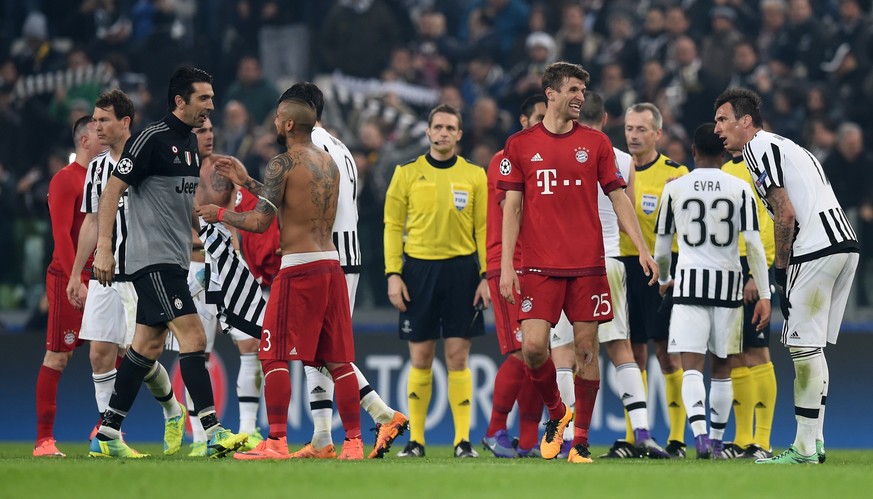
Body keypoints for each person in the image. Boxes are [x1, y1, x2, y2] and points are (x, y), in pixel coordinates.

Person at [498, 62, 658, 464]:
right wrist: (506, 266)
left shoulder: (597, 144)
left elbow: (619, 198)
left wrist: (642, 248)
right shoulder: (519, 145)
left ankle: (581, 441)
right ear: (550, 93)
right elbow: (512, 208)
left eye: (583, 91)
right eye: (572, 89)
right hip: (539, 266)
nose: (579, 97)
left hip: (588, 265)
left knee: (587, 352)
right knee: (534, 349)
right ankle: (558, 413)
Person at [243, 81, 409, 460]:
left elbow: (304, 202)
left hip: (321, 254)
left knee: (322, 349)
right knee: (324, 348)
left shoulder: (309, 147)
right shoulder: (340, 147)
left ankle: (374, 418)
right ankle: (327, 436)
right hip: (344, 253)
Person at [198, 91, 366, 460]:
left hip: (298, 268)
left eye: (277, 117)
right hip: (331, 264)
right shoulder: (328, 163)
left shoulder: (282, 163)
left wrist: (219, 214)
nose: (274, 122)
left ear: (289, 124)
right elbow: (291, 203)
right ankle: (353, 443)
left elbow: (261, 221)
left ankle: (275, 441)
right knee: (337, 359)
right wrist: (247, 182)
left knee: (272, 355)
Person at [90, 66, 247, 458]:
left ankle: (106, 435)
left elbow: (181, 203)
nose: (211, 106)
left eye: (212, 98)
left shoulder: (190, 143)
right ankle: (212, 431)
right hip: (152, 259)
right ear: (180, 101)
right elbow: (111, 191)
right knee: (194, 338)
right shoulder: (151, 139)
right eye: (203, 98)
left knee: (146, 347)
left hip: (175, 258)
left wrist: (206, 233)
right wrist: (104, 248)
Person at [714, 88, 860, 464]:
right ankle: (816, 440)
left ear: (746, 121)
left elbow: (785, 211)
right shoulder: (788, 146)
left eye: (723, 119)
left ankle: (804, 448)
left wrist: (780, 268)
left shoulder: (756, 149)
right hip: (843, 244)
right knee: (812, 346)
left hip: (815, 248)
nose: (717, 129)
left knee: (801, 347)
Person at [66, 89, 185, 455]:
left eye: (104, 120)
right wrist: (76, 273)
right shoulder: (98, 167)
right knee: (99, 354)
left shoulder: (149, 157)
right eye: (95, 120)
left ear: (125, 122)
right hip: (104, 272)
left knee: (139, 356)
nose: (97, 127)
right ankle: (110, 438)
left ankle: (173, 409)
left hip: (141, 271)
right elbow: (90, 221)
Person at [653, 123, 771, 460]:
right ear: (723, 152)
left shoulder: (675, 189)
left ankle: (701, 436)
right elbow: (753, 245)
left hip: (689, 285)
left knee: (691, 366)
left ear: (692, 151)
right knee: (722, 368)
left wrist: (664, 278)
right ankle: (718, 442)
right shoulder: (740, 188)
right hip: (728, 288)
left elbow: (662, 246)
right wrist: (764, 292)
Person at [384, 104, 489, 459]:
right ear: (428, 132)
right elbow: (392, 227)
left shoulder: (475, 175)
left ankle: (462, 441)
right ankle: (416, 441)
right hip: (418, 271)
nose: (444, 133)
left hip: (462, 272)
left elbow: (484, 229)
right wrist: (393, 274)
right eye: (438, 127)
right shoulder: (406, 173)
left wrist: (486, 276)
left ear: (459, 134)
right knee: (421, 357)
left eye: (450, 128)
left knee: (458, 357)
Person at [576, 91, 669, 459]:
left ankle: (569, 438)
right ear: (606, 119)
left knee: (567, 352)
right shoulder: (624, 160)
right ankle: (642, 432)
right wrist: (643, 250)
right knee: (621, 347)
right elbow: (624, 208)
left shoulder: (562, 152)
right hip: (612, 259)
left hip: (568, 262)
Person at [166, 115, 266, 457]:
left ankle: (249, 429)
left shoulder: (228, 166)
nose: (208, 135)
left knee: (251, 344)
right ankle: (199, 437)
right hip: (193, 265)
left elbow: (252, 212)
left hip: (229, 263)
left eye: (210, 129)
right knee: (197, 350)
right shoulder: (173, 171)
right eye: (201, 130)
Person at [620, 102, 689, 457]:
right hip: (624, 267)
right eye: (629, 128)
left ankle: (677, 439)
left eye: (641, 129)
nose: (633, 136)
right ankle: (636, 437)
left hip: (662, 270)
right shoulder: (616, 169)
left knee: (666, 353)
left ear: (658, 134)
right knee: (632, 353)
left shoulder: (676, 174)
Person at [481, 94, 547, 459]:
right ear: (523, 121)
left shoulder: (545, 159)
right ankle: (494, 430)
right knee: (523, 351)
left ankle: (528, 440)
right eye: (538, 117)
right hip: (509, 264)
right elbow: (513, 208)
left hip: (541, 265)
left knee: (538, 353)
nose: (544, 124)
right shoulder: (504, 159)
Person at [33, 116, 102, 457]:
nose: (105, 137)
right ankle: (44, 441)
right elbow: (60, 233)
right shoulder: (65, 179)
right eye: (98, 132)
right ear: (84, 140)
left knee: (114, 351)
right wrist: (73, 277)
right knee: (59, 356)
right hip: (67, 276)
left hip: (101, 277)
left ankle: (105, 431)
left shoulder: (105, 180)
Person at [721, 148, 778, 460]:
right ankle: (743, 440)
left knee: (757, 351)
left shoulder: (759, 167)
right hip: (729, 265)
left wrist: (759, 272)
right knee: (736, 352)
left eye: (723, 123)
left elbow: (768, 221)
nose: (719, 128)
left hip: (751, 266)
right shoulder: (726, 169)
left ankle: (763, 441)